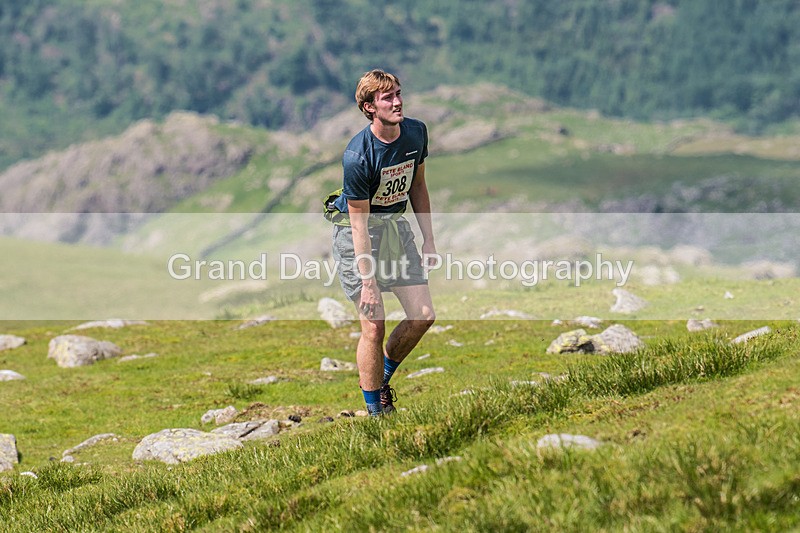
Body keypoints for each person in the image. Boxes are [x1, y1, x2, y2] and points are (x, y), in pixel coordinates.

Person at [330, 69, 437, 416]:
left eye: (399, 94)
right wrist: (368, 282)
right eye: (388, 97)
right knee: (373, 326)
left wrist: (429, 240)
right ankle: (376, 413)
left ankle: (383, 378)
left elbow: (418, 186)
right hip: (358, 236)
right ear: (369, 107)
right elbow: (359, 225)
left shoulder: (416, 133)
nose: (398, 101)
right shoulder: (358, 157)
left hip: (394, 227)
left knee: (422, 316)